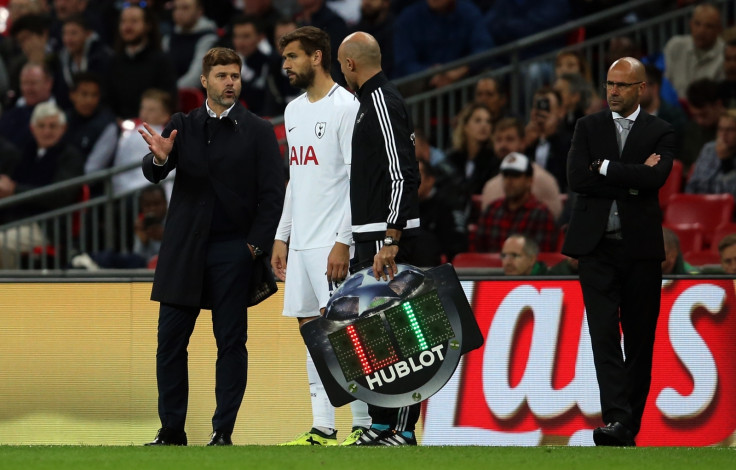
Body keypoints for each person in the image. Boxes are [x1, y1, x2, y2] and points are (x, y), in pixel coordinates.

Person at [139, 47, 285, 446]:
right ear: (204, 81)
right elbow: (154, 172)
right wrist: (158, 161)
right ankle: (171, 430)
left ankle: (223, 431)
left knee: (231, 343)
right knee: (170, 342)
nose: (229, 82)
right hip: (184, 249)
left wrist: (253, 247)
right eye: (221, 75)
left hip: (232, 251)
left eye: (234, 75)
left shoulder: (257, 129)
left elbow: (273, 195)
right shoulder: (182, 125)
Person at [562, 57, 675, 446]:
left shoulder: (661, 130)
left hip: (640, 250)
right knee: (604, 334)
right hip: (596, 249)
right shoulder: (587, 126)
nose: (613, 91)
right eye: (610, 83)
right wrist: (632, 178)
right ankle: (616, 419)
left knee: (640, 339)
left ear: (641, 88)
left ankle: (628, 426)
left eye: (623, 85)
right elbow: (578, 179)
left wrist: (606, 168)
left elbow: (656, 177)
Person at [271, 26, 371, 447]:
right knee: (312, 331)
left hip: (332, 241)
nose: (285, 66)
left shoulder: (346, 106)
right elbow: (296, 179)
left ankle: (364, 422)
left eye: (292, 57)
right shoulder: (293, 111)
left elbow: (357, 180)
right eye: (283, 58)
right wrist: (282, 236)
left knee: (348, 332)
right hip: (302, 243)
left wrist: (343, 240)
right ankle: (322, 425)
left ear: (317, 56)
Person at [337, 31, 421, 446]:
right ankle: (382, 424)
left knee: (400, 334)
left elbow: (403, 170)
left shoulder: (383, 101)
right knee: (373, 336)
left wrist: (392, 235)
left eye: (341, 65)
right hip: (368, 237)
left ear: (350, 64)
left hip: (384, 240)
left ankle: (403, 429)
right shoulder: (367, 104)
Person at [0, 101, 85, 268]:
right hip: (19, 220)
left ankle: (9, 291)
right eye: (41, 126)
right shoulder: (26, 153)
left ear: (63, 128)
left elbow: (60, 195)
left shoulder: (70, 157)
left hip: (48, 226)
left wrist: (15, 190)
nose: (47, 131)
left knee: (1, 242)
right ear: (33, 129)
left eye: (53, 126)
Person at [480, 117, 562, 220]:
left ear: (523, 142)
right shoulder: (490, 186)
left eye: (509, 139)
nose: (503, 145)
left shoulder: (543, 180)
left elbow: (552, 224)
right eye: (498, 140)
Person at [475, 152, 558, 253]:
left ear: (529, 180)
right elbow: (477, 251)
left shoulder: (541, 214)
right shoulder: (491, 210)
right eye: (505, 175)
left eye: (515, 176)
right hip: (488, 268)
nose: (509, 181)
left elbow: (542, 258)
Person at [108, 3, 177, 120]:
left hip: (150, 126)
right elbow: (106, 100)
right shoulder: (113, 62)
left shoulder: (161, 62)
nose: (127, 27)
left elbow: (167, 101)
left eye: (134, 21)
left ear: (147, 25)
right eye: (123, 22)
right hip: (118, 126)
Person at [664, 3, 724, 99]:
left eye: (709, 26)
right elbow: (666, 83)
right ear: (690, 24)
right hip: (674, 108)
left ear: (719, 29)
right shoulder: (675, 46)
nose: (701, 31)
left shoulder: (727, 56)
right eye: (697, 24)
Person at [162, 0, 219, 89]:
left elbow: (196, 77)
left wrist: (171, 90)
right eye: (176, 8)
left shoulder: (208, 39)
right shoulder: (168, 38)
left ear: (199, 11)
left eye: (185, 8)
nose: (179, 13)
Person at [446, 102, 497, 196]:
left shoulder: (494, 159)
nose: (484, 125)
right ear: (465, 126)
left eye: (488, 121)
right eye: (478, 121)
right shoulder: (452, 158)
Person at [685, 109, 736, 198]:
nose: (724, 134)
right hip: (699, 205)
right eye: (721, 129)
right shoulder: (709, 149)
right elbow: (693, 184)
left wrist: (725, 161)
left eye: (730, 130)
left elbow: (730, 194)